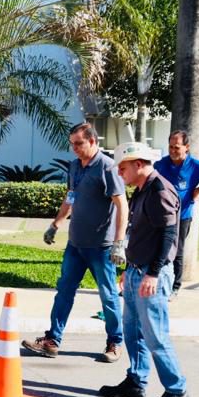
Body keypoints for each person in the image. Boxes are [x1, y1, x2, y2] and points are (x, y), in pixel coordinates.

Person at [22, 123, 127, 362]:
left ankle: (115, 342)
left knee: (108, 295)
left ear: (93, 141)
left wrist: (119, 243)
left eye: (79, 143)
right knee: (64, 292)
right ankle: (52, 340)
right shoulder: (74, 166)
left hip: (101, 247)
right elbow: (70, 197)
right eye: (72, 144)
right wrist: (55, 224)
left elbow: (122, 205)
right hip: (76, 245)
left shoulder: (107, 167)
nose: (75, 148)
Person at [99, 142, 188, 397]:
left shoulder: (160, 190)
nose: (120, 173)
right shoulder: (142, 189)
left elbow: (168, 235)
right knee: (133, 331)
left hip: (152, 274)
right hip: (137, 270)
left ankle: (177, 390)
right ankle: (136, 382)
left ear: (138, 164)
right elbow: (141, 233)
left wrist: (153, 273)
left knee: (155, 336)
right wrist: (130, 268)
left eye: (123, 168)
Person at [153, 130, 199, 296]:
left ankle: (175, 287)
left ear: (186, 147)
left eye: (177, 147)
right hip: (161, 215)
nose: (173, 150)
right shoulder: (161, 164)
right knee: (157, 248)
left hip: (182, 216)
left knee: (177, 251)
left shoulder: (195, 165)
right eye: (171, 147)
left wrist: (198, 190)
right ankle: (156, 281)